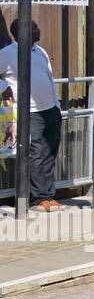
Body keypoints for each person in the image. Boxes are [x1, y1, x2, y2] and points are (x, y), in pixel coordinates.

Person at [0, 18, 64, 210]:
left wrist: (56, 105)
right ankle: (39, 199)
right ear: (22, 31)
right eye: (34, 28)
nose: (38, 30)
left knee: (49, 154)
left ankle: (49, 196)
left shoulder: (40, 52)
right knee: (35, 155)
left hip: (50, 111)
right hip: (29, 113)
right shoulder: (7, 54)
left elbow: (49, 79)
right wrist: (4, 87)